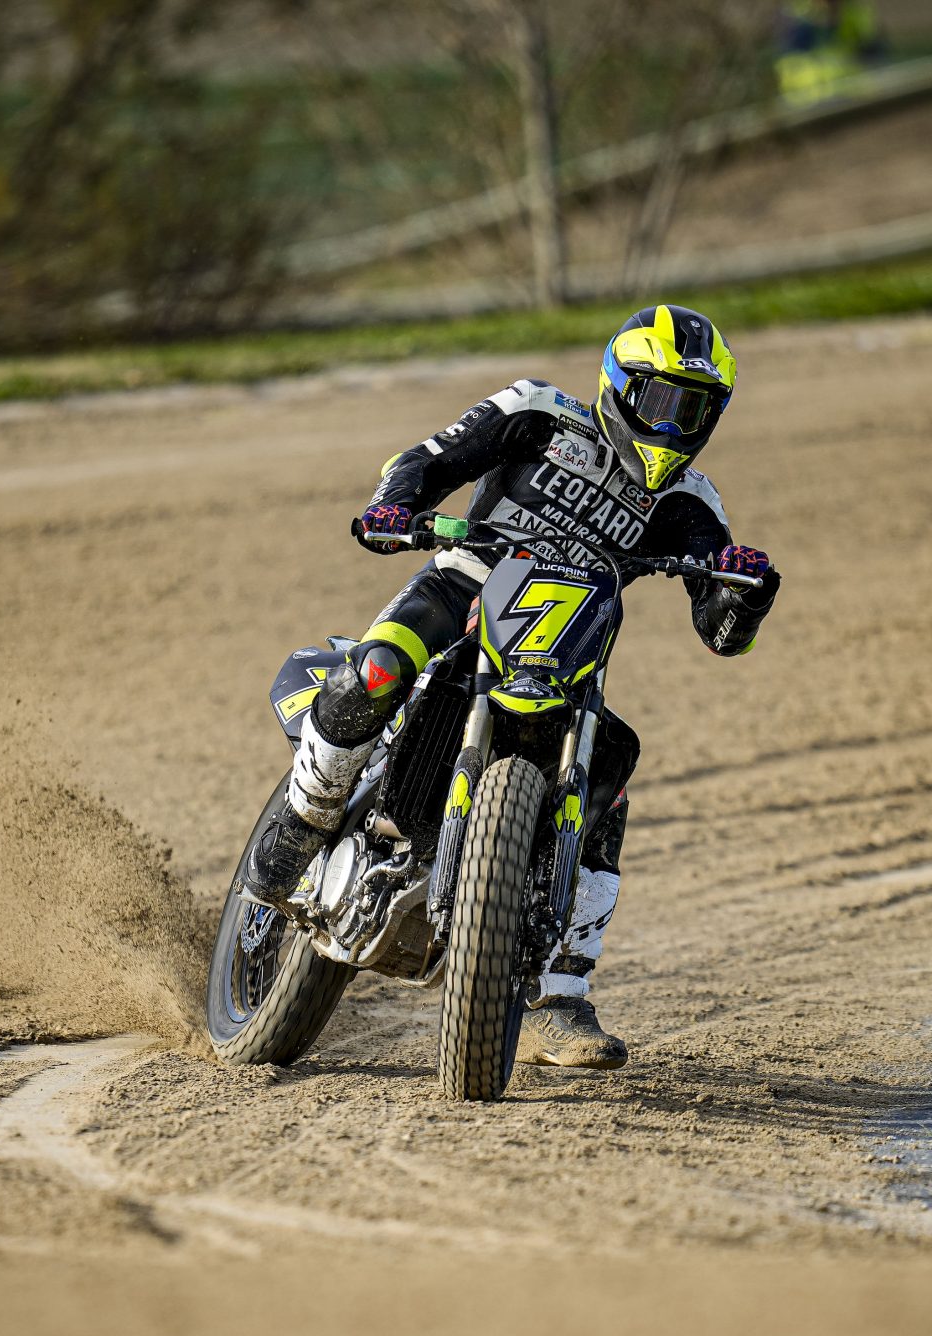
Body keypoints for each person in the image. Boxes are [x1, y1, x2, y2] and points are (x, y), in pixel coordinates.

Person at [242, 304, 781, 1071]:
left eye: (691, 410)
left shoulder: (692, 503)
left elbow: (720, 631)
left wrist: (746, 595)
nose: (671, 424)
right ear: (618, 385)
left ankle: (559, 996)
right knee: (379, 666)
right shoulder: (537, 414)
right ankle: (306, 815)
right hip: (465, 584)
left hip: (569, 654)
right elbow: (430, 458)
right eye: (659, 400)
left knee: (610, 779)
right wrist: (395, 508)